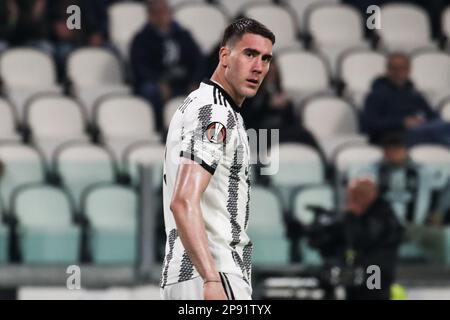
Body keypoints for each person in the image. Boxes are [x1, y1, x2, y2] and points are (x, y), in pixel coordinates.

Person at [160, 18, 275, 300]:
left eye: (266, 58)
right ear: (225, 56)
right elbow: (183, 200)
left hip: (186, 273)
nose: (258, 67)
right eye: (249, 54)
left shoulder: (195, 104)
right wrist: (211, 278)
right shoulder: (215, 112)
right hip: (213, 270)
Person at [130, 0, 205, 133]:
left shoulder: (184, 35)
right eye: (156, 13)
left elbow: (197, 60)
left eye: (163, 12)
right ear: (149, 15)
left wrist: (195, 81)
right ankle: (159, 129)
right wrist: (159, 82)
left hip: (183, 82)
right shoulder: (141, 39)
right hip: (158, 84)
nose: (161, 16)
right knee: (150, 90)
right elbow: (139, 67)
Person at [362, 52, 450, 146]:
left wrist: (420, 121)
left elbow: (432, 115)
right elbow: (370, 124)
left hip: (418, 131)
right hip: (391, 137)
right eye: (394, 68)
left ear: (409, 70)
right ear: (387, 70)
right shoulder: (376, 94)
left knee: (443, 126)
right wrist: (402, 122)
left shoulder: (413, 94)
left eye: (403, 68)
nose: (398, 72)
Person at [343, 178, 403, 300]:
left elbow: (363, 239)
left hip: (374, 272)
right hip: (360, 271)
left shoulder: (381, 215)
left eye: (357, 195)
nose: (352, 199)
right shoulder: (366, 214)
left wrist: (351, 216)